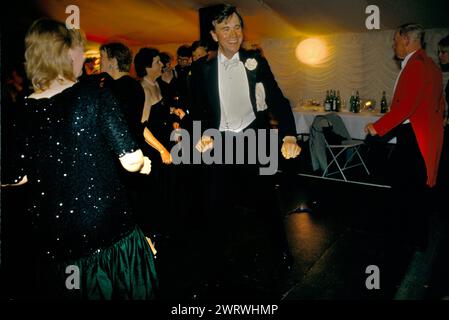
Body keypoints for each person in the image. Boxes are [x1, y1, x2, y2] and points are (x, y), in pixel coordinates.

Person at [3, 18, 157, 299]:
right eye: (79, 48)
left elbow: (14, 178)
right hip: (108, 236)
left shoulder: (19, 112)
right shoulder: (93, 96)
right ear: (66, 53)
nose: (83, 55)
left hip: (54, 246)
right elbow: (130, 159)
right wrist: (143, 163)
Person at [190, 4, 301, 295]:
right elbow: (198, 110)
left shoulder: (255, 62)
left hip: (254, 139)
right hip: (221, 144)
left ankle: (281, 251)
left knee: (266, 202)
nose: (233, 33)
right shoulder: (201, 69)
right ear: (214, 35)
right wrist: (202, 134)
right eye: (225, 28)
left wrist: (288, 135)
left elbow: (278, 99)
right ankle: (215, 267)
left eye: (237, 27)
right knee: (214, 207)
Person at [365, 23, 445, 250]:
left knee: (406, 189)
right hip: (423, 135)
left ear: (407, 40)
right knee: (413, 189)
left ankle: (408, 240)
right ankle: (414, 239)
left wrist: (377, 127)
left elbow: (406, 106)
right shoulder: (431, 65)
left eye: (396, 40)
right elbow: (440, 103)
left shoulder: (416, 65)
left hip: (414, 136)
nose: (394, 45)